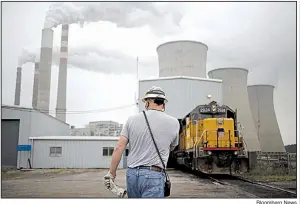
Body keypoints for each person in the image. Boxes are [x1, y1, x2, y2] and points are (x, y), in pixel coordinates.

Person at [104, 86, 180, 198]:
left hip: (132, 175)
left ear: (147, 102)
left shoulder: (132, 120)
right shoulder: (174, 122)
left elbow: (119, 147)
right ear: (163, 104)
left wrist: (112, 173)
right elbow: (172, 147)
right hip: (154, 174)